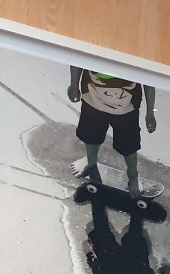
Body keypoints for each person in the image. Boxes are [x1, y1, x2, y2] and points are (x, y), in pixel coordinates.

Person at [67, 67, 162, 198]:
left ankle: (133, 175)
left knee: (128, 146)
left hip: (125, 110)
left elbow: (148, 77)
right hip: (92, 102)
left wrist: (150, 112)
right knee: (91, 136)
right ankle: (90, 161)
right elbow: (79, 59)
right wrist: (74, 85)